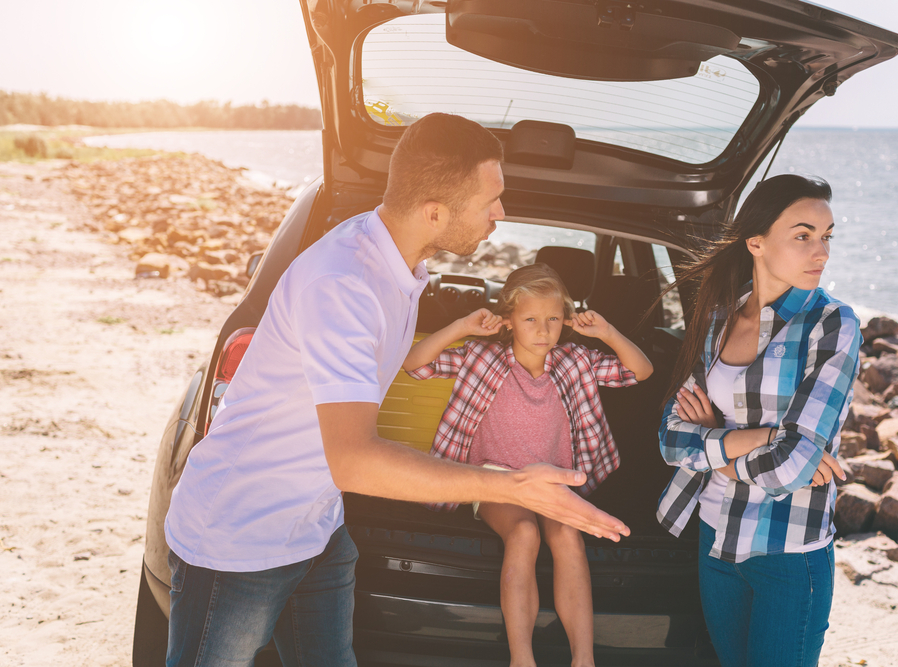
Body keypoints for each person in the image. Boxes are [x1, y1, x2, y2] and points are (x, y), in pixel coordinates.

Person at [162, 113, 630, 667]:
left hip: (317, 527)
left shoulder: (400, 267)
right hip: (239, 537)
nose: (500, 214)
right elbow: (354, 462)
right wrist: (513, 488)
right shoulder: (344, 285)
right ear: (434, 212)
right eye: (491, 201)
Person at [403, 263, 653, 667]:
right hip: (495, 483)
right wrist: (462, 326)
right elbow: (415, 365)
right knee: (522, 533)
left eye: (553, 319)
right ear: (509, 321)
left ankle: (583, 659)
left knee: (568, 537)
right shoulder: (481, 358)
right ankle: (522, 659)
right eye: (531, 319)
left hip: (555, 487)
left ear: (566, 320)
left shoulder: (575, 361)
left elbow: (639, 371)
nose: (543, 330)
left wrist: (607, 332)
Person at [655, 174, 860, 667]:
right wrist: (766, 437)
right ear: (756, 242)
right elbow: (670, 437)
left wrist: (716, 446)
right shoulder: (718, 317)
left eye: (827, 235)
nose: (822, 252)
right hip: (715, 534)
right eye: (803, 235)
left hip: (788, 551)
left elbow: (790, 467)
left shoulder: (833, 324)